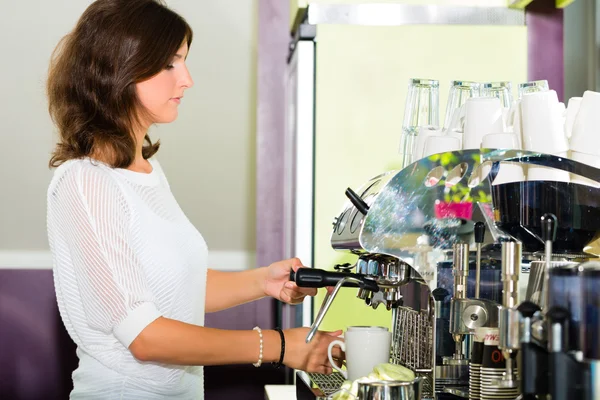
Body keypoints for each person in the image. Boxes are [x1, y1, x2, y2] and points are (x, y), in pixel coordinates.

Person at [45, 1, 342, 398]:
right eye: (170, 63)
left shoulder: (146, 174)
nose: (186, 79)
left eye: (183, 61)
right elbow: (146, 336)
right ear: (120, 67)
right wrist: (282, 346)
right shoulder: (86, 183)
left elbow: (172, 289)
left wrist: (262, 281)